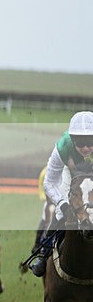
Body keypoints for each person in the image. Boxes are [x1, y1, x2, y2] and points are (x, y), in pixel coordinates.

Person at [28, 111, 93, 276]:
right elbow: (49, 183)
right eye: (81, 144)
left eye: (90, 143)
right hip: (70, 174)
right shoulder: (63, 147)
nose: (86, 148)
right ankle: (43, 255)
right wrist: (63, 205)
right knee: (60, 212)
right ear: (73, 139)